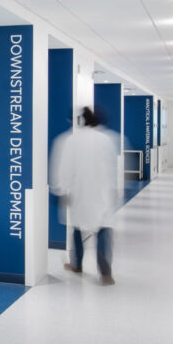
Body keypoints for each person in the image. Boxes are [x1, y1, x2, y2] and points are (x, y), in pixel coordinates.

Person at [50, 106, 120, 285]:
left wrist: (61, 190)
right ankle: (106, 273)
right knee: (103, 229)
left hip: (79, 193)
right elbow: (113, 167)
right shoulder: (107, 139)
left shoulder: (69, 140)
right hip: (102, 193)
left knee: (78, 229)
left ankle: (76, 264)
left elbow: (63, 168)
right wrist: (114, 189)